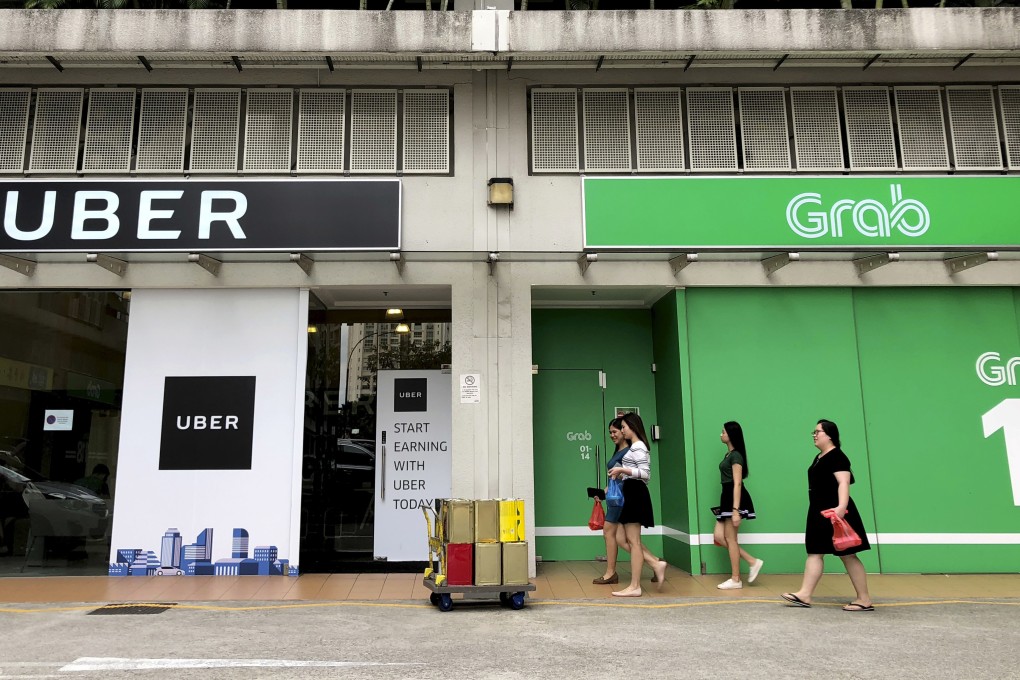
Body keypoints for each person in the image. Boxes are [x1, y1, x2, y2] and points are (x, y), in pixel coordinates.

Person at [781, 419, 874, 612]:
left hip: (835, 513)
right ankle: (804, 594)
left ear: (830, 435)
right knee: (815, 552)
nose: (814, 435)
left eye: (818, 432)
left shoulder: (837, 457)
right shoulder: (819, 457)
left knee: (848, 554)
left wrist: (841, 507)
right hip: (818, 511)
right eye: (813, 432)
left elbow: (843, 483)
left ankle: (864, 599)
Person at [593, 417, 665, 586]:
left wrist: (621, 470)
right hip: (620, 495)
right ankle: (654, 563)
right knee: (625, 539)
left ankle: (629, 577)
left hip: (625, 497)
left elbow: (644, 473)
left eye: (618, 429)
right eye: (611, 432)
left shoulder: (634, 448)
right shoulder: (627, 450)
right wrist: (606, 490)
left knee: (623, 537)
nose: (614, 434)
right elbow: (623, 477)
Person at [711, 421, 764, 590]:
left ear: (731, 435)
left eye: (723, 432)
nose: (721, 434)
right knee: (720, 537)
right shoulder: (729, 455)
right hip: (726, 496)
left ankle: (735, 579)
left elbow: (737, 483)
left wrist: (735, 510)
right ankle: (752, 561)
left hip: (734, 497)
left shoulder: (736, 456)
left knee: (731, 539)